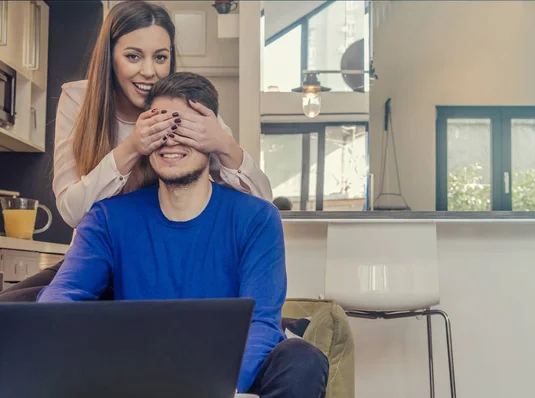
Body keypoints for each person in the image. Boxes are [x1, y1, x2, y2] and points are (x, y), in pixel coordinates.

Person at [38, 72, 329, 398]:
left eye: (186, 129)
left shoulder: (257, 218)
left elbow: (260, 321)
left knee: (303, 361)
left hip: (227, 369)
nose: (172, 140)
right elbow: (59, 300)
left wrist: (220, 389)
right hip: (142, 367)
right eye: (161, 128)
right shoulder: (108, 218)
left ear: (212, 136)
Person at [53, 1, 272, 230]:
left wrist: (225, 145)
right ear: (110, 56)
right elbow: (72, 212)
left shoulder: (188, 108)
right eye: (133, 57)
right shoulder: (78, 99)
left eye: (160, 58)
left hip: (163, 250)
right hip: (99, 251)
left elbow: (262, 202)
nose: (149, 72)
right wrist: (133, 147)